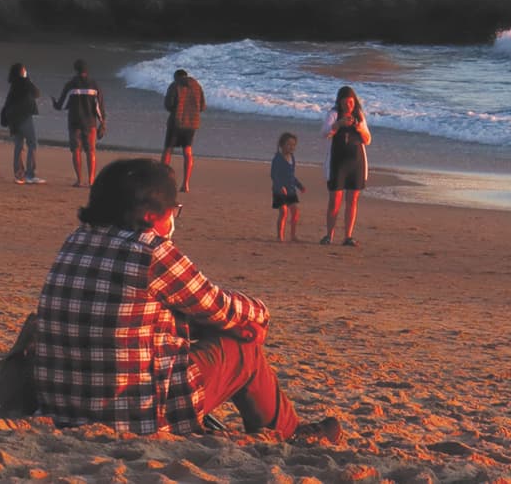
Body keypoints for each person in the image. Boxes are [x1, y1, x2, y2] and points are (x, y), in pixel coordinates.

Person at [27, 158, 339, 441]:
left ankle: (282, 425)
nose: (176, 217)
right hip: (132, 412)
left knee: (202, 324)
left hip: (63, 403)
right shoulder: (150, 252)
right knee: (243, 351)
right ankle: (290, 432)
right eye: (174, 209)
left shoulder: (77, 239)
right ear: (151, 215)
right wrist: (256, 320)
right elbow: (219, 306)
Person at [321, 86, 370, 246]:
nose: (348, 106)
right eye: (345, 102)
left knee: (352, 200)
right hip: (337, 162)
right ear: (340, 102)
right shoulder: (334, 114)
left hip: (356, 163)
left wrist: (358, 128)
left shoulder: (359, 116)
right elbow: (324, 133)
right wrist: (338, 125)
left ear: (354, 102)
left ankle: (348, 236)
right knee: (334, 200)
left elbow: (367, 139)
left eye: (350, 102)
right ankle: (329, 235)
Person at [56, 61, 107, 187]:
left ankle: (79, 180)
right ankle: (91, 180)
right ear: (86, 70)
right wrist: (102, 122)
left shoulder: (70, 84)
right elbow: (98, 107)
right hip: (90, 123)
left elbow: (62, 105)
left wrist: (55, 104)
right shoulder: (94, 85)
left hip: (74, 122)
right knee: (91, 151)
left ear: (75, 70)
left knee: (76, 150)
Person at [161, 69, 206, 193]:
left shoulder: (175, 85)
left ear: (176, 77)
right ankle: (186, 184)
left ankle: (162, 181)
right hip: (192, 123)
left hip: (176, 122)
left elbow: (168, 105)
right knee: (187, 152)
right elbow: (202, 106)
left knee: (168, 151)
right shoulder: (197, 86)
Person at [3, 63, 45, 184]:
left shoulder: (14, 84)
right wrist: (27, 79)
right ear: (21, 72)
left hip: (13, 118)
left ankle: (19, 174)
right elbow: (37, 93)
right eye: (24, 70)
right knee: (32, 143)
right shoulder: (24, 82)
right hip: (23, 117)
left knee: (19, 145)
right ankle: (30, 174)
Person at [270, 133, 302, 241]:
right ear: (282, 145)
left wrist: (299, 185)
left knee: (295, 212)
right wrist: (280, 187)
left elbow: (292, 175)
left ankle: (293, 235)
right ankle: (280, 236)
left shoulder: (292, 158)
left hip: (291, 190)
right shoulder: (277, 158)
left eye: (293, 145)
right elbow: (274, 175)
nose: (291, 147)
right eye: (289, 144)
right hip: (279, 190)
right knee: (283, 212)